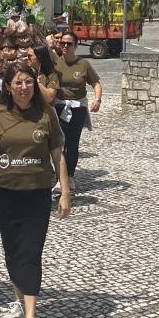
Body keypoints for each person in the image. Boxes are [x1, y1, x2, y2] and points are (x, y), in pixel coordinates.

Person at [0, 62, 71, 318]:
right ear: (8, 87)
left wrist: (64, 191)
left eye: (28, 82)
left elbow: (57, 154)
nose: (24, 88)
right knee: (13, 250)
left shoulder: (45, 114)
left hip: (37, 193)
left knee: (31, 251)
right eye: (18, 83)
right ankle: (18, 301)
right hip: (5, 193)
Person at [53, 31, 102, 195]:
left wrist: (97, 99)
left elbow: (96, 83)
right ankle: (60, 177)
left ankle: (70, 175)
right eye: (62, 43)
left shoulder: (83, 64)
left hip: (77, 108)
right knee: (58, 143)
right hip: (59, 106)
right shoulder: (55, 62)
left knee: (72, 143)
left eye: (69, 43)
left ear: (75, 45)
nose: (65, 46)